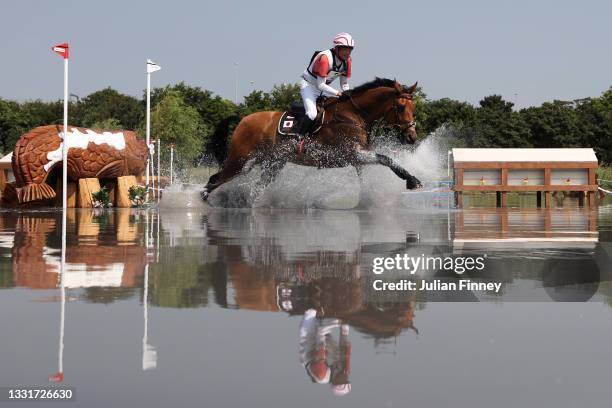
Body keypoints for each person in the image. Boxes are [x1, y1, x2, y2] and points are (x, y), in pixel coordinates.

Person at [297, 32, 354, 138]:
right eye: (345, 49)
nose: (348, 52)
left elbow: (344, 83)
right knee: (312, 114)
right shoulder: (325, 58)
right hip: (309, 86)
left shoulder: (348, 61)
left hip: (324, 89)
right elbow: (321, 85)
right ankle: (298, 138)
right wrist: (338, 93)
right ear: (337, 48)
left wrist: (348, 94)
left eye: (350, 49)